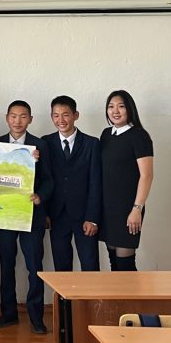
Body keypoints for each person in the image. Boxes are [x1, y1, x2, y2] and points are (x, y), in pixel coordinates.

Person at [0, 100, 54, 333]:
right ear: (7, 118)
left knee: (34, 266)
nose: (18, 121)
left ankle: (36, 317)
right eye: (13, 116)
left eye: (23, 116)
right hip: (5, 215)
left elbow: (49, 179)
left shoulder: (40, 145)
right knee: (6, 265)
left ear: (30, 119)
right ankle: (8, 313)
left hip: (32, 215)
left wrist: (40, 196)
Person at [40, 96, 102, 273]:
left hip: (84, 215)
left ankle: (91, 295)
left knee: (90, 265)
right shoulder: (46, 143)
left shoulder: (92, 144)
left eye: (65, 115)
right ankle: (65, 295)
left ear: (76, 115)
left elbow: (96, 182)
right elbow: (42, 179)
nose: (60, 120)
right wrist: (44, 213)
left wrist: (92, 218)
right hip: (57, 215)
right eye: (56, 115)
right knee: (62, 267)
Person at [99, 90, 154, 271]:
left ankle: (134, 293)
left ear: (130, 109)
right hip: (108, 208)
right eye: (111, 107)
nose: (115, 111)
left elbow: (147, 175)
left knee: (125, 265)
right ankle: (117, 293)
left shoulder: (139, 136)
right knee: (113, 261)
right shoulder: (106, 134)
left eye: (121, 106)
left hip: (128, 209)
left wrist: (137, 209)